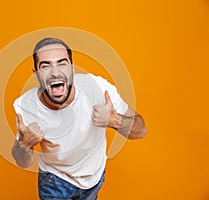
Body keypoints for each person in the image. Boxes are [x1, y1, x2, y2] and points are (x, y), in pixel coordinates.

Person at [11, 38, 147, 200]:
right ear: (36, 74)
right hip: (54, 180)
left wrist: (115, 120)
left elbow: (141, 130)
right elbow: (23, 162)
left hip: (93, 178)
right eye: (45, 66)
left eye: (62, 63)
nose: (55, 72)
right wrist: (24, 144)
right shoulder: (25, 105)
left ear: (72, 68)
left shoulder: (97, 88)